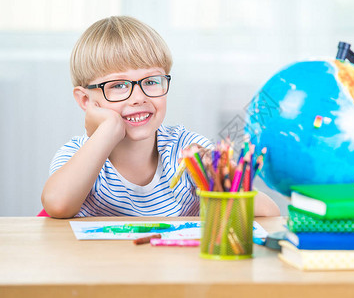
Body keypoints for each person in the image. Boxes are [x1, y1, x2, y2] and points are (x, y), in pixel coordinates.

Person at [41, 16, 280, 218]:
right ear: (86, 101)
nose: (138, 97)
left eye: (151, 81)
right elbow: (57, 204)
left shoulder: (187, 150)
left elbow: (268, 213)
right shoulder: (76, 155)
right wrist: (108, 128)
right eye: (118, 85)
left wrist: (219, 177)